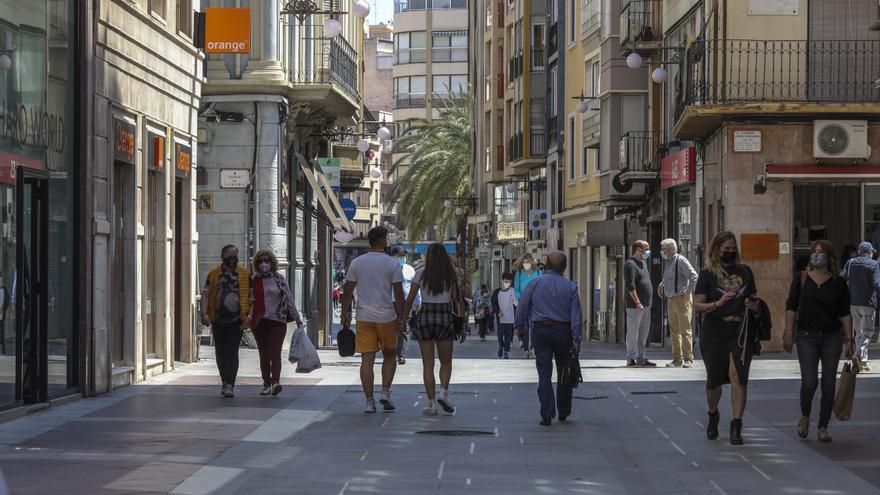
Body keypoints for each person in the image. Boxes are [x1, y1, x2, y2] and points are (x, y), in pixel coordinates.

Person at [693, 231, 760, 445]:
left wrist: (754, 305)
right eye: (726, 249)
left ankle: (736, 426)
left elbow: (753, 297)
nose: (730, 252)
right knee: (714, 381)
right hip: (714, 331)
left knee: (738, 377)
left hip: (740, 331)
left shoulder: (745, 272)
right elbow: (697, 306)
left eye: (733, 249)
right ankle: (713, 415)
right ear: (716, 250)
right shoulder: (707, 274)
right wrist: (718, 303)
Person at [785, 240, 854, 443]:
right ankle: (805, 415)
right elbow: (791, 306)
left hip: (832, 337)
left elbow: (844, 313)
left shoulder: (838, 283)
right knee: (809, 382)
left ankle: (823, 426)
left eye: (821, 252)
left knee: (828, 382)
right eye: (814, 252)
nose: (817, 255)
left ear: (830, 257)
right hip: (807, 336)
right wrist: (788, 331)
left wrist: (849, 339)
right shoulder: (802, 278)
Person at [340, 227, 405, 413]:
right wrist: (401, 316)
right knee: (390, 355)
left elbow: (348, 291)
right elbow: (399, 295)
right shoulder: (392, 264)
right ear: (383, 240)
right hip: (387, 317)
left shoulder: (357, 263)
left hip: (364, 317)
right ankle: (385, 392)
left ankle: (369, 402)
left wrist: (345, 313)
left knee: (366, 360)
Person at [515, 251, 582, 426]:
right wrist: (577, 339)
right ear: (565, 267)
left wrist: (520, 327)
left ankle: (546, 412)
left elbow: (522, 305)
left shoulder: (535, 283)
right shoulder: (571, 286)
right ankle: (564, 410)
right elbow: (575, 316)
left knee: (544, 372)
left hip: (541, 331)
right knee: (564, 372)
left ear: (546, 264)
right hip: (563, 332)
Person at [403, 243, 464, 416]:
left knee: (428, 364)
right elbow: (458, 300)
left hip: (425, 317)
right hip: (444, 316)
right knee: (446, 362)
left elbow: (410, 299)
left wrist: (403, 320)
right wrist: (462, 322)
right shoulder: (451, 275)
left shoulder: (420, 273)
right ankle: (443, 393)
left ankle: (431, 403)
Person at [246, 249, 302, 396]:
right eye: (260, 261)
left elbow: (289, 299)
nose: (264, 264)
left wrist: (297, 317)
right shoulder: (253, 280)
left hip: (278, 321)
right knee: (264, 354)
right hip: (260, 322)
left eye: (267, 261)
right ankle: (266, 383)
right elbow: (249, 302)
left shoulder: (280, 279)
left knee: (275, 353)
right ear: (257, 264)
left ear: (272, 263)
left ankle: (276, 382)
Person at [200, 245, 250, 398]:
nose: (232, 258)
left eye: (235, 254)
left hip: (237, 320)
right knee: (220, 352)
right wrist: (204, 314)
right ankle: (224, 380)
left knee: (232, 351)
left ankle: (230, 384)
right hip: (218, 320)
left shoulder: (244, 274)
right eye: (229, 255)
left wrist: (250, 316)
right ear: (222, 257)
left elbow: (252, 296)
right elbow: (205, 295)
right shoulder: (214, 274)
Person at [658, 239, 699, 368]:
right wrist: (662, 284)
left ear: (670, 250)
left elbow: (694, 276)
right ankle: (677, 359)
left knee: (685, 330)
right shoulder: (669, 262)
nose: (662, 252)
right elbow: (670, 277)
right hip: (671, 299)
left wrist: (688, 292)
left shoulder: (680, 260)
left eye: (663, 249)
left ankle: (688, 359)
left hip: (682, 299)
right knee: (674, 331)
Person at [840, 241, 880, 372]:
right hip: (868, 303)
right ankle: (857, 355)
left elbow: (842, 279)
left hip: (853, 303)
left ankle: (863, 362)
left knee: (859, 333)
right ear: (869, 252)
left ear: (859, 251)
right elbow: (877, 283)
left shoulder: (850, 263)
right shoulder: (874, 265)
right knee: (868, 332)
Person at [624, 240, 656, 368]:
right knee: (633, 332)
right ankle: (631, 358)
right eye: (646, 248)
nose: (648, 251)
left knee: (643, 333)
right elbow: (630, 286)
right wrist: (637, 302)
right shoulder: (630, 264)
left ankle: (641, 358)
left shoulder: (643, 263)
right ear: (638, 249)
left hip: (646, 304)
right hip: (635, 305)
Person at [388, 245, 419, 365]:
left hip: (406, 304)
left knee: (404, 328)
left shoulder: (410, 269)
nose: (403, 257)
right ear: (394, 256)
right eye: (400, 255)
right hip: (391, 302)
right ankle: (392, 352)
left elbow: (415, 287)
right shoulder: (388, 269)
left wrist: (418, 302)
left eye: (404, 255)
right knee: (391, 328)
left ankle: (401, 355)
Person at [513, 253, 542, 358]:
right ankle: (525, 349)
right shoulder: (519, 274)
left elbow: (541, 286)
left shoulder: (538, 273)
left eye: (528, 262)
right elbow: (516, 289)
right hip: (523, 304)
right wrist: (520, 298)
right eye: (524, 262)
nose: (526, 264)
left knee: (535, 326)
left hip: (535, 304)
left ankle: (534, 348)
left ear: (532, 262)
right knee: (524, 327)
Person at [492, 273, 517, 359]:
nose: (507, 284)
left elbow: (516, 302)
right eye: (506, 282)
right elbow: (493, 303)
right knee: (500, 334)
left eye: (509, 282)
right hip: (500, 317)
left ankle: (506, 351)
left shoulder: (512, 291)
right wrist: (498, 312)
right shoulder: (497, 292)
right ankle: (501, 346)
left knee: (508, 335)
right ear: (502, 281)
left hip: (510, 318)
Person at [0, 275, 9, 355]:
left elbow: (7, 300)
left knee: (2, 332)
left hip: (2, 315)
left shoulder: (5, 289)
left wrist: (3, 309)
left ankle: (3, 350)